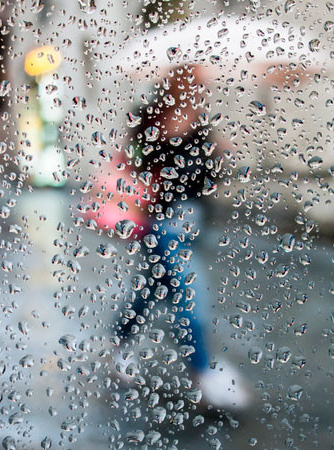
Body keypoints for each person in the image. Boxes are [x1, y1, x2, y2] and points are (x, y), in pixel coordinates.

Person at [112, 65, 251, 410]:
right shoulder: (150, 119)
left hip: (195, 220)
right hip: (162, 222)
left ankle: (119, 341)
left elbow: (208, 181)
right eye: (195, 82)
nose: (200, 89)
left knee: (151, 288)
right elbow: (132, 163)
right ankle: (203, 370)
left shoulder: (201, 124)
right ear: (176, 83)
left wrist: (220, 155)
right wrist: (155, 148)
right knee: (188, 291)